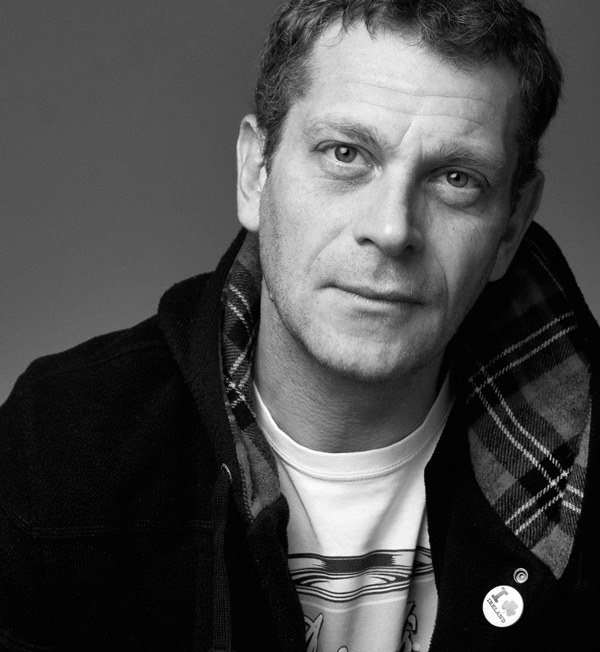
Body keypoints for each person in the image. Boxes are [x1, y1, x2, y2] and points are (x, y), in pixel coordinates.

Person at [0, 0, 598, 650]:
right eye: (346, 153)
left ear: (511, 226)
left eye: (456, 178)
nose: (392, 228)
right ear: (255, 172)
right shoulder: (58, 445)